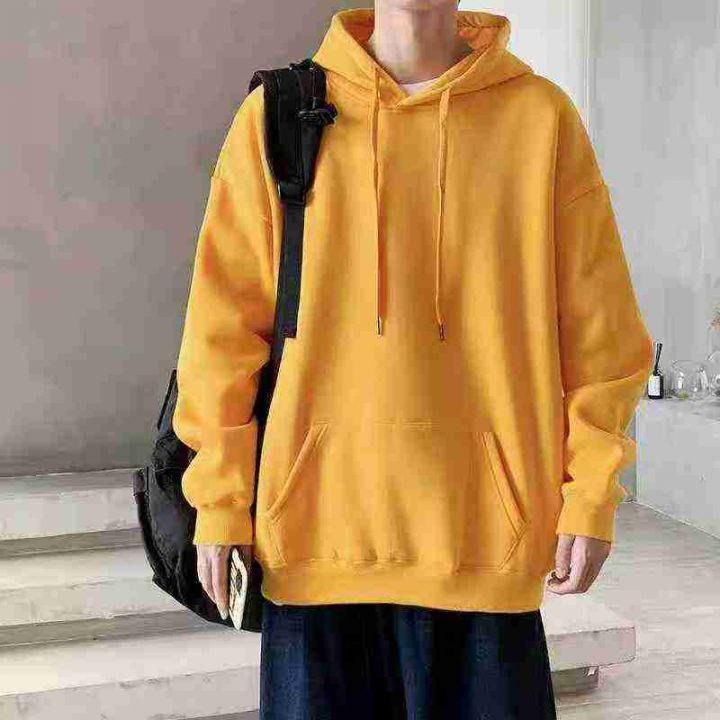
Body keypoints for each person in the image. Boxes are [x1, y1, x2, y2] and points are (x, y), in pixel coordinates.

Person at [172, 3, 654, 718]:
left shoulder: (540, 120)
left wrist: (590, 494)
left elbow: (602, 339)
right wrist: (219, 503)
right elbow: (222, 333)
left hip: (484, 544)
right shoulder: (279, 116)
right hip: (316, 540)